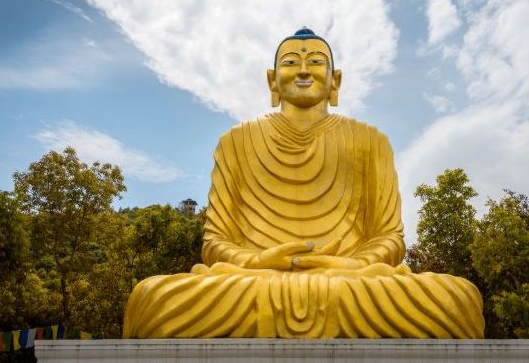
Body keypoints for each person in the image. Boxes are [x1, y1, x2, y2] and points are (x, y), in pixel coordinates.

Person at [123, 28, 484, 338]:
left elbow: (389, 239)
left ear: (335, 79)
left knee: (458, 299)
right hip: (254, 280)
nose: (303, 71)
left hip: (352, 280)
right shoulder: (235, 141)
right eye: (291, 61)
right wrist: (261, 260)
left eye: (315, 61)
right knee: (152, 299)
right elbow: (215, 243)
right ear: (271, 79)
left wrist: (348, 265)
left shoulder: (371, 140)